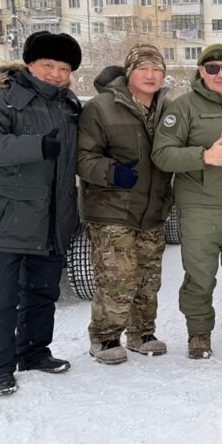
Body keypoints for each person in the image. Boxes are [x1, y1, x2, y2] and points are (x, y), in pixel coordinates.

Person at [0, 31, 82, 397]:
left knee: (42, 294)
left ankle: (33, 353)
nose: (56, 74)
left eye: (64, 68)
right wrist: (36, 146)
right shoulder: (0, 101)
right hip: (4, 219)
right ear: (30, 64)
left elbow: (78, 155)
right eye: (48, 65)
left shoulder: (69, 105)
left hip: (51, 219)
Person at [151, 44, 222, 360]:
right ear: (201, 71)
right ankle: (199, 335)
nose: (221, 74)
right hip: (200, 208)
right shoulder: (183, 108)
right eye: (213, 68)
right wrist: (203, 156)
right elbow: (162, 154)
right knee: (200, 276)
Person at [77, 45, 173, 364]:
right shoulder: (102, 107)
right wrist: (111, 172)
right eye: (143, 68)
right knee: (118, 278)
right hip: (112, 209)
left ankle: (141, 333)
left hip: (153, 209)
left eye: (156, 69)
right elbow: (82, 157)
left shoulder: (167, 108)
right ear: (129, 73)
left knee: (148, 279)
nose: (150, 75)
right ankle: (104, 337)